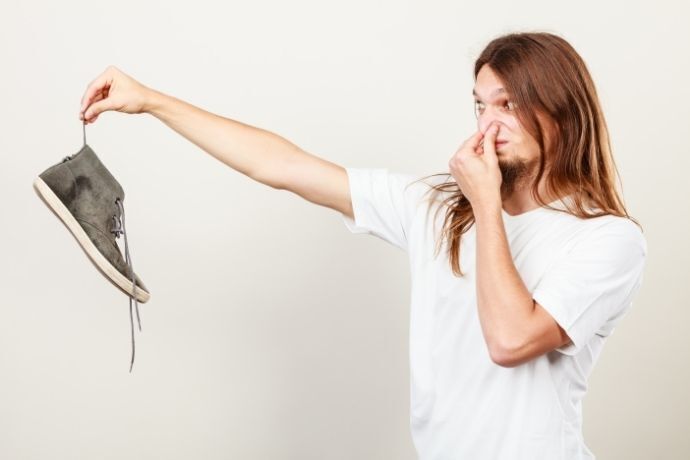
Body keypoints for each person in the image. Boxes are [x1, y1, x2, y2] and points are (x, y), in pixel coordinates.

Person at [79, 31, 647, 460]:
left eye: (508, 105)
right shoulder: (441, 210)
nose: (486, 126)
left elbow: (511, 338)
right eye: (479, 105)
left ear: (562, 110)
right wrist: (151, 100)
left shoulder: (607, 240)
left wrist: (488, 205)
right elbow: (284, 165)